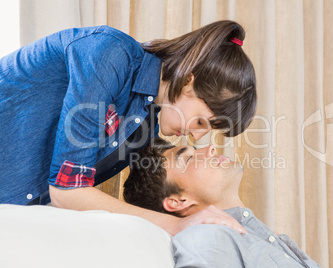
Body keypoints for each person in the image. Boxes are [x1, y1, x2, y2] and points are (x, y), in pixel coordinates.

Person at [0, 20, 256, 235]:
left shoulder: (145, 125)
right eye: (201, 121)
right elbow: (66, 191)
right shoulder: (108, 52)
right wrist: (180, 224)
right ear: (189, 81)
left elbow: (158, 189)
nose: (198, 136)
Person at [124, 138, 321, 268]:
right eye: (189, 158)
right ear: (177, 201)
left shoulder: (261, 236)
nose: (210, 148)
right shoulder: (205, 237)